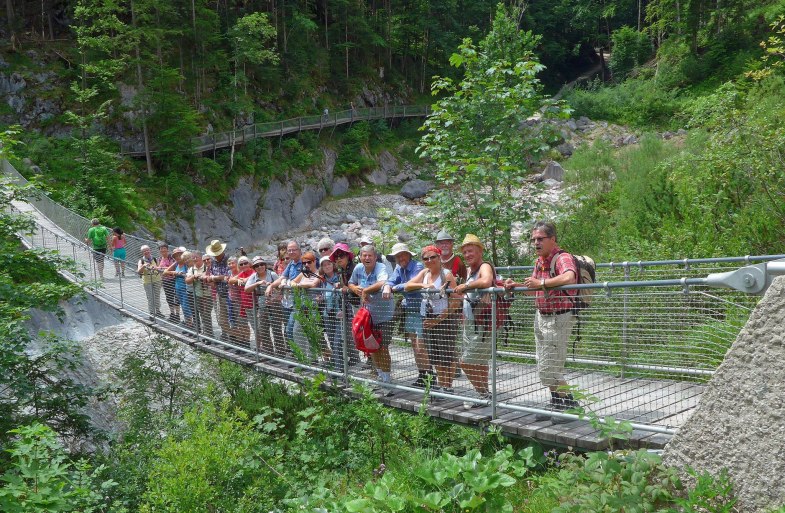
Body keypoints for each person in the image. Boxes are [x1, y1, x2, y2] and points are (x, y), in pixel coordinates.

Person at [504, 221, 579, 422]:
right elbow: (534, 289)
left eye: (540, 239)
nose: (536, 243)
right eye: (534, 239)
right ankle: (556, 403)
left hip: (559, 317)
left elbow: (570, 277)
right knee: (543, 362)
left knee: (549, 366)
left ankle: (572, 406)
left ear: (552, 239)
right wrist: (516, 286)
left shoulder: (562, 257)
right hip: (541, 316)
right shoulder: (540, 262)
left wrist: (542, 283)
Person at [404, 245, 461, 393]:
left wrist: (440, 318)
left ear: (439, 257)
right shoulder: (424, 273)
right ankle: (443, 386)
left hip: (446, 318)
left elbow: (456, 300)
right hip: (429, 318)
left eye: (432, 257)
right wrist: (424, 285)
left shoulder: (446, 274)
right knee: (434, 355)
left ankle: (447, 387)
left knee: (446, 354)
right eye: (426, 258)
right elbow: (408, 286)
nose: (429, 260)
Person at [453, 234, 495, 409]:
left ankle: (485, 395)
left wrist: (466, 286)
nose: (467, 255)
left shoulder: (484, 266)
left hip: (483, 324)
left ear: (480, 251)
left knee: (465, 361)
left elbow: (486, 281)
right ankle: (483, 396)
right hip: (471, 322)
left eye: (471, 251)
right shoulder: (470, 270)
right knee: (479, 362)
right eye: (465, 252)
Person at [349, 244, 395, 387]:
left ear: (375, 257)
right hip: (368, 316)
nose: (367, 258)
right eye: (364, 255)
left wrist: (366, 290)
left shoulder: (380, 267)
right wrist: (355, 288)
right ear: (360, 257)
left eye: (370, 255)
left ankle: (387, 379)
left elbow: (382, 282)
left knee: (383, 347)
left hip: (385, 315)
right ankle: (380, 376)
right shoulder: (358, 268)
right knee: (372, 347)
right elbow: (350, 282)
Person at [383, 242, 428, 387]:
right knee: (415, 346)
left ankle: (430, 376)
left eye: (402, 255)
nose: (400, 258)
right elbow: (390, 281)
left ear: (408, 255)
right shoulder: (398, 268)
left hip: (422, 311)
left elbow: (412, 285)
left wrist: (395, 287)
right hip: (410, 311)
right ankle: (422, 375)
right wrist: (389, 286)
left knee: (422, 346)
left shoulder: (418, 267)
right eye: (397, 256)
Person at [329, 242, 361, 367]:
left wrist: (347, 288)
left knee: (360, 333)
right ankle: (355, 357)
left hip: (360, 304)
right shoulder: (342, 270)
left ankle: (370, 361)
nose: (338, 258)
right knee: (350, 333)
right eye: (336, 257)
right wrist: (340, 285)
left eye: (341, 255)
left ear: (348, 256)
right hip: (351, 305)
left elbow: (359, 285)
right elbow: (345, 285)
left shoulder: (355, 268)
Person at [267, 240, 303, 348]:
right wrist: (271, 285)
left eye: (294, 250)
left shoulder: (305, 261)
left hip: (299, 301)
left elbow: (305, 273)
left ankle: (301, 356)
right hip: (288, 302)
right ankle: (296, 355)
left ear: (300, 250)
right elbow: (282, 277)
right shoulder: (291, 264)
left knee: (291, 329)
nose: (291, 252)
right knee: (289, 329)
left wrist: (292, 282)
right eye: (289, 250)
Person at [244, 256, 280, 354]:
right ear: (254, 268)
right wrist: (257, 283)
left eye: (262, 264)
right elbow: (246, 289)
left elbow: (280, 290)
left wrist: (273, 299)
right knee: (263, 330)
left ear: (265, 265)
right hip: (262, 306)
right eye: (257, 265)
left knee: (276, 330)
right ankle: (269, 353)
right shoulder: (253, 277)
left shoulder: (272, 274)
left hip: (275, 306)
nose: (260, 267)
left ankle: (281, 353)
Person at [205, 239, 232, 343]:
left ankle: (234, 339)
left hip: (230, 294)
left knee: (233, 318)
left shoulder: (228, 260)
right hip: (219, 293)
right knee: (221, 318)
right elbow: (210, 276)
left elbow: (227, 276)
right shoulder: (213, 262)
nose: (215, 255)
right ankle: (227, 335)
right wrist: (213, 279)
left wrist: (214, 278)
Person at [163, 247, 192, 328]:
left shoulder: (187, 264)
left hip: (186, 288)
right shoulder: (176, 263)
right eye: (175, 256)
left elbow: (189, 273)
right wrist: (175, 273)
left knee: (186, 307)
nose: (177, 257)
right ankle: (188, 324)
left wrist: (180, 274)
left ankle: (190, 325)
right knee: (183, 306)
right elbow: (165, 272)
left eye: (179, 255)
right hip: (178, 288)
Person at [186, 252, 213, 338]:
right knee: (202, 314)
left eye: (196, 257)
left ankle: (209, 336)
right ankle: (207, 334)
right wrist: (194, 277)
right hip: (198, 295)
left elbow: (212, 277)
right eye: (193, 257)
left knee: (206, 315)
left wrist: (202, 276)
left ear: (201, 258)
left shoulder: (207, 267)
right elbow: (187, 281)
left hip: (209, 295)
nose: (194, 259)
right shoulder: (192, 269)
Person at [229, 255, 254, 346]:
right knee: (242, 322)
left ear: (249, 263)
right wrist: (239, 279)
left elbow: (251, 278)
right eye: (241, 264)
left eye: (245, 263)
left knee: (256, 326)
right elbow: (231, 280)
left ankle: (260, 348)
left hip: (253, 303)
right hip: (244, 303)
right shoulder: (241, 274)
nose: (243, 265)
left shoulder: (253, 271)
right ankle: (245, 342)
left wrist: (242, 280)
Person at [137, 244, 162, 319]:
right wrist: (143, 266)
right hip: (147, 280)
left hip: (157, 279)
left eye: (147, 250)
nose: (146, 252)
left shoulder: (154, 259)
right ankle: (152, 313)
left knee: (157, 296)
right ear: (142, 252)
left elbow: (159, 268)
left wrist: (156, 268)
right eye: (144, 251)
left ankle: (158, 311)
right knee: (150, 297)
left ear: (150, 250)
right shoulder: (141, 261)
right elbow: (138, 271)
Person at [157, 243, 179, 322]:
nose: (163, 251)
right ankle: (172, 314)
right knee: (169, 297)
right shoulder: (159, 259)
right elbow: (158, 269)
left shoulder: (171, 258)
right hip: (165, 280)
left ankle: (177, 315)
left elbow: (173, 268)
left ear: (167, 250)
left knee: (176, 297)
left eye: (164, 249)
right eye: (161, 249)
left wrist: (161, 268)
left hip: (173, 279)